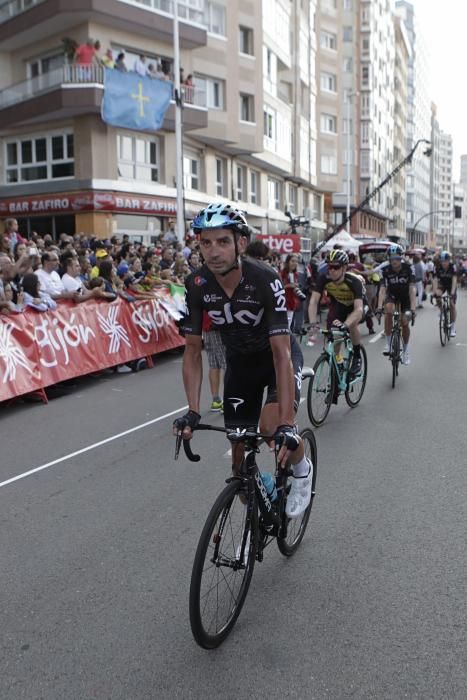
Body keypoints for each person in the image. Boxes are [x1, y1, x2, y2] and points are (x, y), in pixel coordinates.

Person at [173, 202, 313, 519]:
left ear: (241, 243)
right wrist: (193, 411)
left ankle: (303, 471)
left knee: (270, 427)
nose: (213, 251)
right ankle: (258, 510)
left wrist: (287, 424)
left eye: (222, 241)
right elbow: (193, 351)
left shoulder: (265, 279)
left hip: (277, 359)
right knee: (238, 463)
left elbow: (281, 352)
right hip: (241, 365)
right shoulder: (197, 284)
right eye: (205, 242)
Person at [308, 249, 364, 377]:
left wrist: (345, 324)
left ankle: (357, 356)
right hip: (340, 305)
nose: (331, 270)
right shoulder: (324, 278)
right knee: (333, 337)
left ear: (344, 268)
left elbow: (359, 309)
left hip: (356, 307)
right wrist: (313, 324)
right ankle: (337, 364)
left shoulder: (353, 281)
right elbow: (313, 301)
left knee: (352, 324)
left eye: (336, 267)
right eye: (329, 267)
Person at [376, 244, 416, 365]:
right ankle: (388, 344)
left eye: (397, 258)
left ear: (401, 258)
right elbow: (382, 289)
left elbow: (412, 289)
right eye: (392, 258)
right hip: (391, 295)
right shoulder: (384, 270)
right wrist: (378, 308)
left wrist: (413, 309)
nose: (394, 261)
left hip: (405, 298)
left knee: (404, 323)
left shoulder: (409, 268)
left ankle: (406, 351)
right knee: (388, 309)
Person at [432, 251, 457, 337]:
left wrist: (453, 293)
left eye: (445, 261)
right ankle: (442, 311)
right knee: (438, 297)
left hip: (451, 285)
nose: (443, 263)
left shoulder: (452, 267)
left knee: (452, 304)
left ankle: (453, 327)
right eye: (442, 261)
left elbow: (454, 280)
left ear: (448, 260)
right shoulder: (437, 267)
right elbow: (435, 280)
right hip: (442, 284)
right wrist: (435, 292)